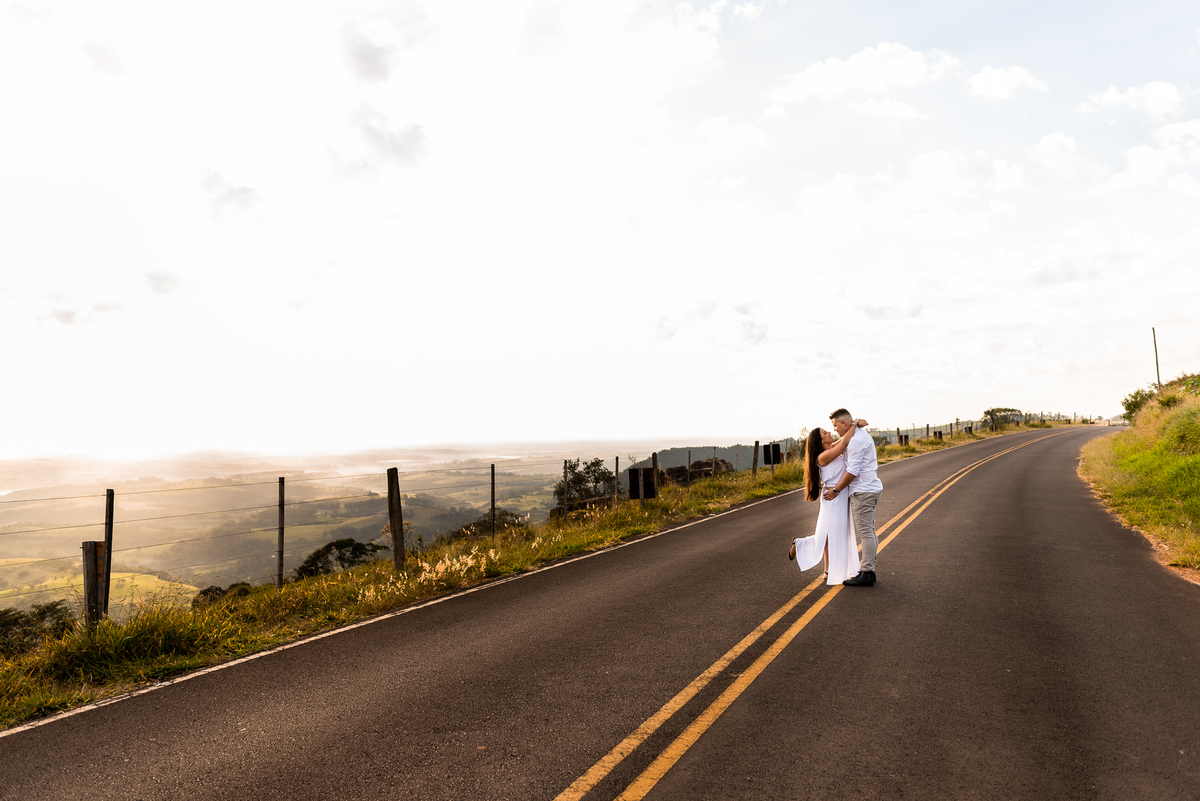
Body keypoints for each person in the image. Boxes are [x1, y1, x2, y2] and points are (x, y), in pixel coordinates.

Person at [788, 420, 864, 585]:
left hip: (839, 496)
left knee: (831, 535)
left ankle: (828, 570)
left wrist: (854, 426)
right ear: (820, 441)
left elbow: (842, 441)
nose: (829, 432)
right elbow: (844, 442)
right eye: (825, 433)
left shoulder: (829, 449)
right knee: (830, 534)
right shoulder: (823, 456)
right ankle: (800, 545)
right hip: (833, 498)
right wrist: (854, 424)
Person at [823, 408, 883, 587]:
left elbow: (852, 472)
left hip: (863, 491)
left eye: (834, 425)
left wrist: (836, 490)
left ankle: (867, 572)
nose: (834, 429)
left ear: (843, 423)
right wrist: (855, 424)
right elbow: (839, 444)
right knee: (869, 531)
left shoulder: (856, 441)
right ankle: (868, 570)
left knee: (865, 532)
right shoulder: (857, 435)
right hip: (868, 489)